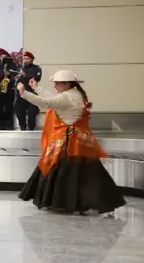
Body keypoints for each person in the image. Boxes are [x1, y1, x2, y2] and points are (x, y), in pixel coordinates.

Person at [17, 70, 125, 214]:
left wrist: (24, 93)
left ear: (66, 84)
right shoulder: (75, 94)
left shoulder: (68, 97)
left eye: (57, 84)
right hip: (80, 141)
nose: (55, 86)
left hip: (67, 143)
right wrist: (37, 88)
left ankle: (64, 202)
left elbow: (48, 102)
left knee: (64, 171)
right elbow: (56, 99)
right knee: (87, 173)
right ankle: (90, 201)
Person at [14, 51, 43, 131]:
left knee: (32, 113)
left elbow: (37, 78)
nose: (25, 60)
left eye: (27, 59)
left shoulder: (37, 68)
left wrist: (25, 75)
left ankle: (31, 128)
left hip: (32, 94)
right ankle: (22, 127)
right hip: (21, 94)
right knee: (19, 112)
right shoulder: (20, 68)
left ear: (32, 59)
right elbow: (15, 78)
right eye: (24, 58)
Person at [0, 49, 17, 130]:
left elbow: (16, 73)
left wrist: (10, 73)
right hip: (0, 88)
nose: (2, 58)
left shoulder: (13, 65)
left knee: (9, 107)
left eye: (4, 56)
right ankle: (0, 124)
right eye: (1, 56)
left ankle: (9, 124)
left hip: (9, 88)